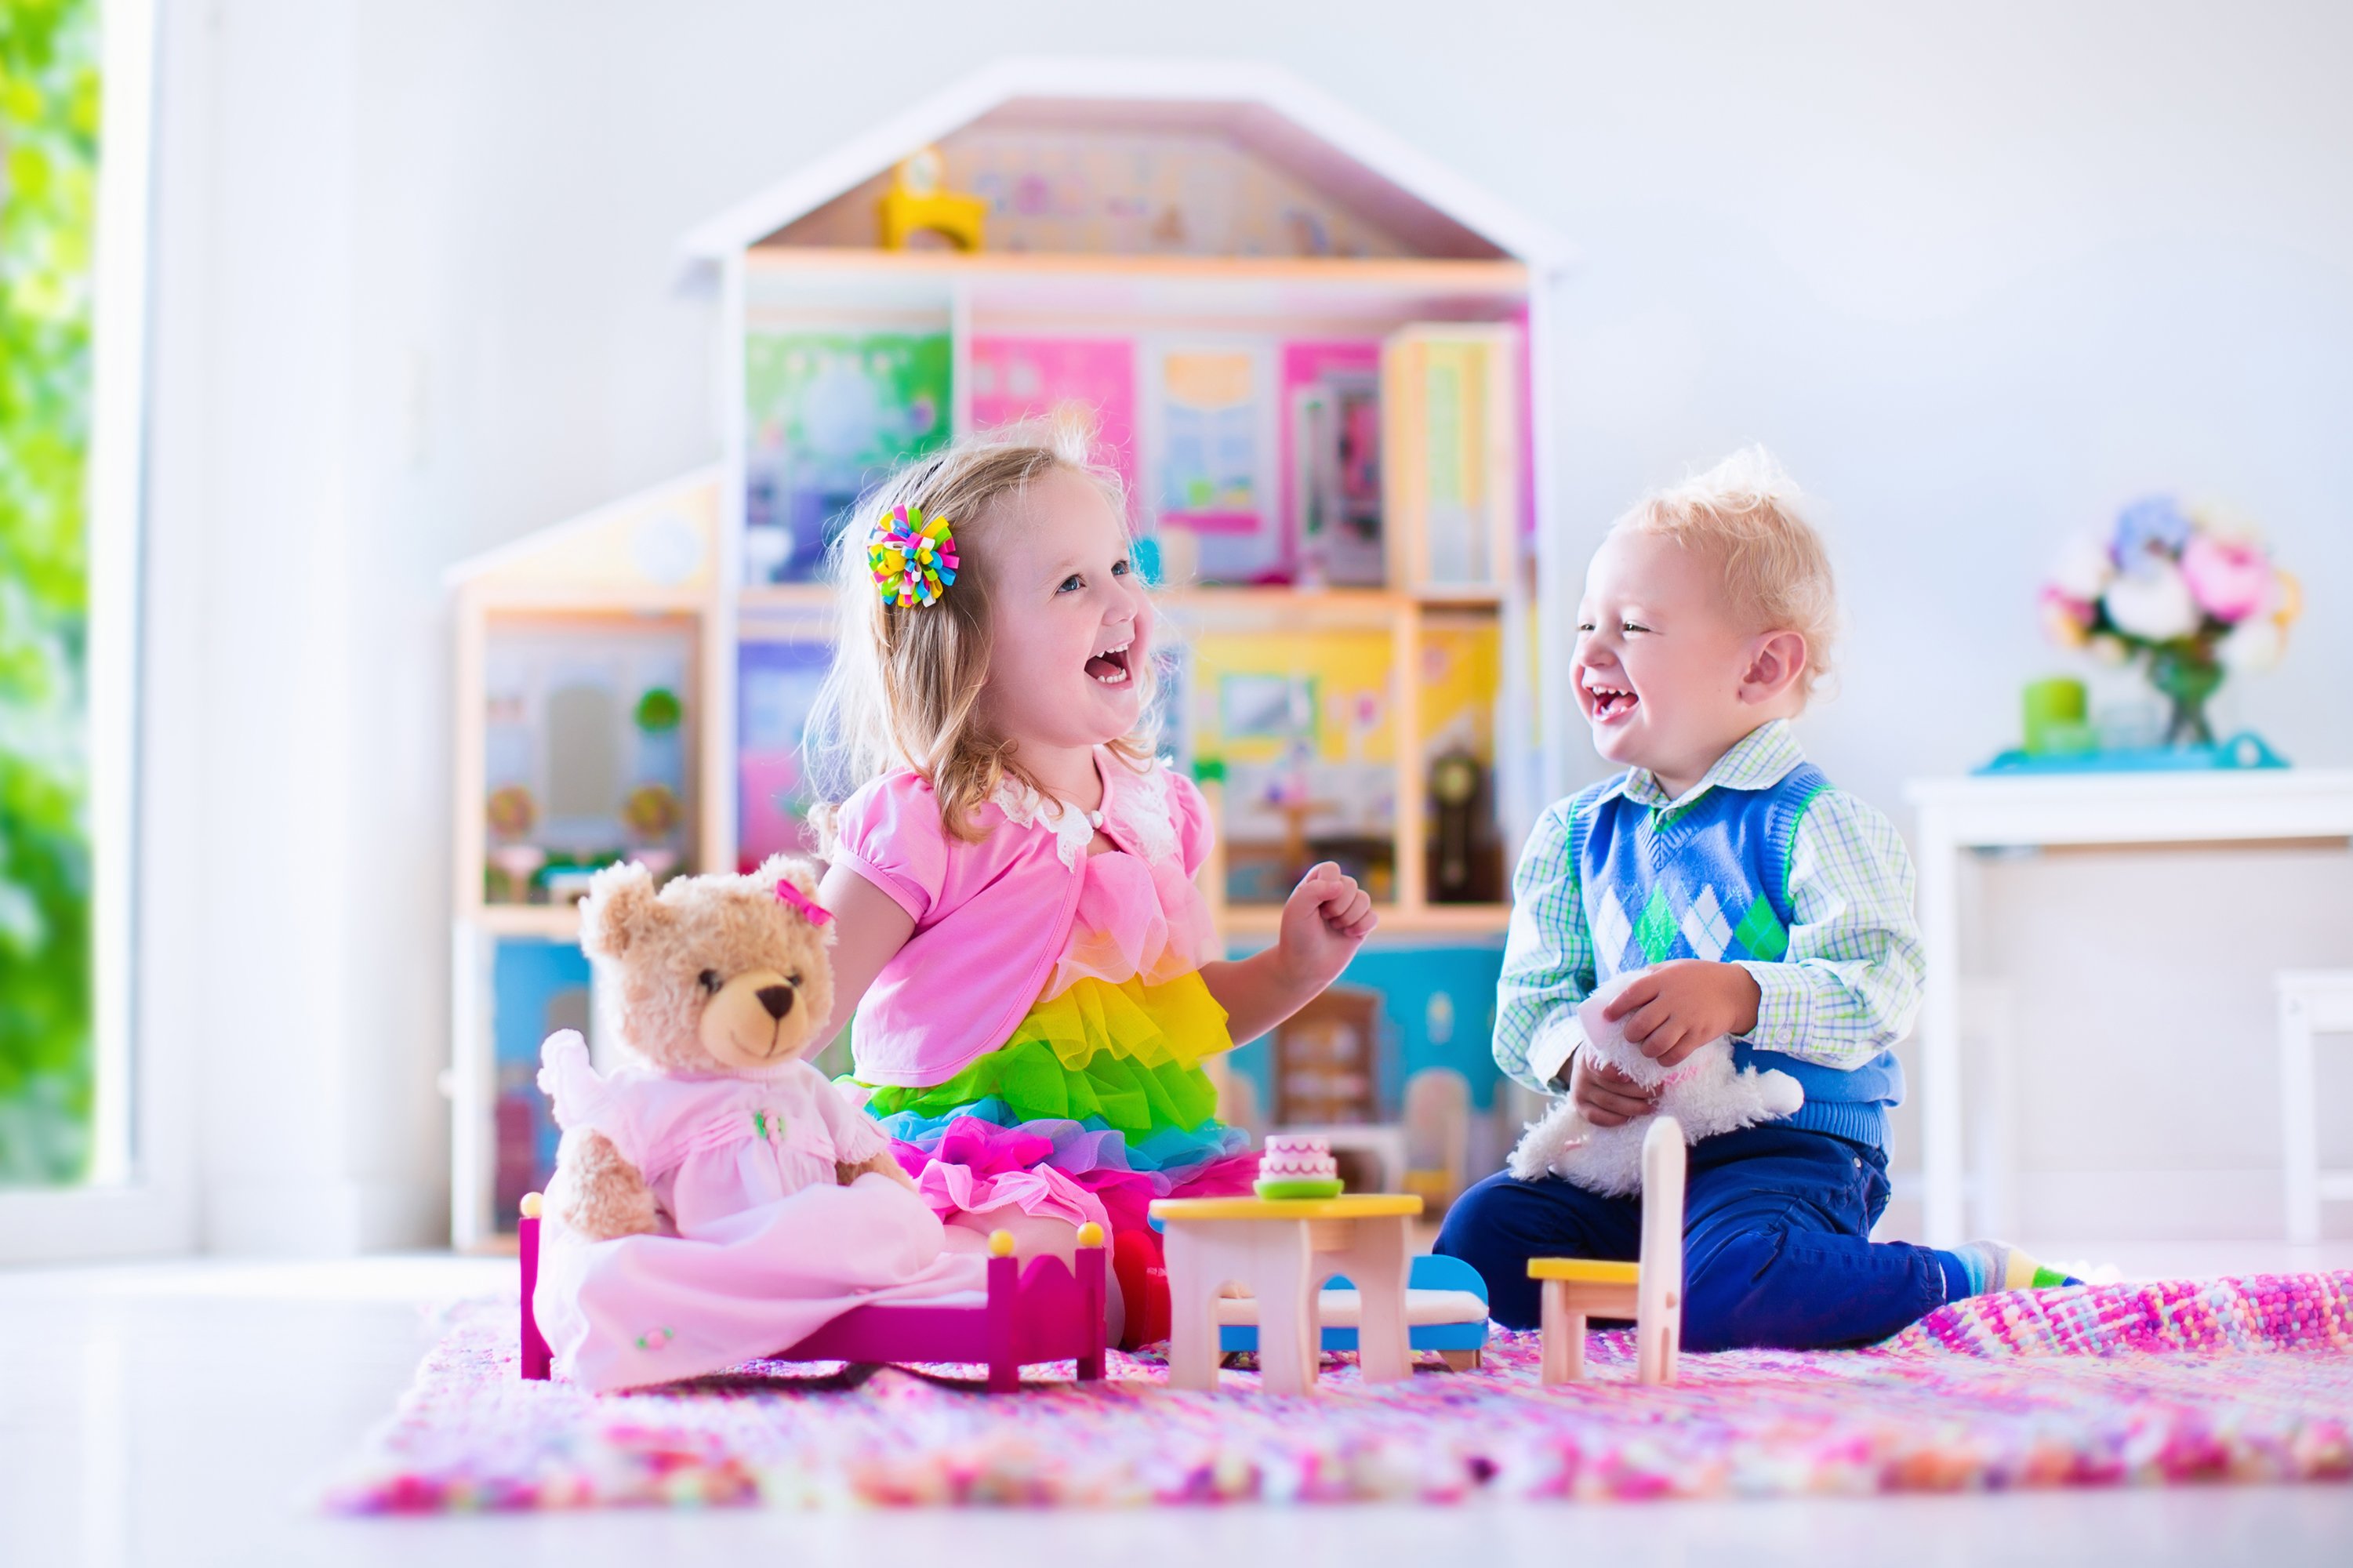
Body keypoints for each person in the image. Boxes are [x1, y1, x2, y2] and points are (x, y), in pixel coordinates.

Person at [1436, 448, 2076, 1349]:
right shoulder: (1573, 837)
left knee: (1741, 1279)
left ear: (1762, 667)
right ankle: (1673, 1292)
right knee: (1481, 1237)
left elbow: (1881, 982)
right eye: (1586, 623)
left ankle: (1961, 1274)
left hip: (1786, 1154)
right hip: (1627, 1165)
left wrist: (1740, 992)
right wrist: (1569, 1056)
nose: (1590, 652)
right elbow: (1526, 1008)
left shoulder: (1813, 822)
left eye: (1634, 627)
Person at [807, 425, 1376, 1346]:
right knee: (1038, 1273)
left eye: (1123, 566)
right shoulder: (933, 816)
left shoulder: (1159, 812)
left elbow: (1185, 1012)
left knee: (1263, 1276)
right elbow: (802, 998)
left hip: (1146, 1170)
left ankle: (1115, 1306)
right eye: (1074, 583)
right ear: (968, 647)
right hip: (980, 1166)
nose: (1123, 602)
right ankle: (888, 1280)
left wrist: (1291, 967)